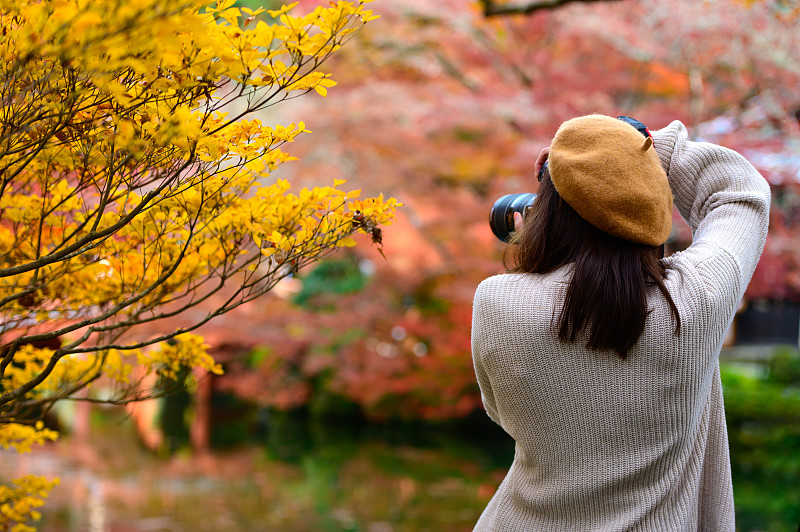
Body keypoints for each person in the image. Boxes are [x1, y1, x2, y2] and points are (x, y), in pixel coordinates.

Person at [471, 115, 770, 531]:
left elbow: (500, 412)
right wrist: (646, 149)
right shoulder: (695, 300)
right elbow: (740, 192)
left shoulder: (497, 303)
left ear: (548, 214)